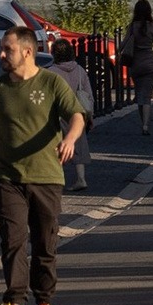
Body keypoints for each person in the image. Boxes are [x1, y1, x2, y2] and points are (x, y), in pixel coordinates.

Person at [0, 24, 84, 305]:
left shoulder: (51, 83)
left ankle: (44, 304)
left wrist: (71, 139)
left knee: (45, 244)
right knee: (12, 241)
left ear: (26, 51)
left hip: (47, 177)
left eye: (6, 49)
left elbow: (76, 115)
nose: (1, 55)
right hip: (7, 178)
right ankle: (15, 304)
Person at [46, 39, 97, 191]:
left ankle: (57, 179)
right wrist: (90, 116)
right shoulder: (80, 70)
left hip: (58, 114)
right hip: (78, 114)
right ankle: (81, 179)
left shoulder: (51, 72)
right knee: (79, 146)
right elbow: (88, 95)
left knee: (56, 146)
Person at [121, 0, 153, 134]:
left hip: (136, 65)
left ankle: (142, 121)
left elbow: (123, 44)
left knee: (140, 95)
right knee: (147, 97)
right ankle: (145, 125)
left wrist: (116, 50)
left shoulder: (132, 26)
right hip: (150, 65)